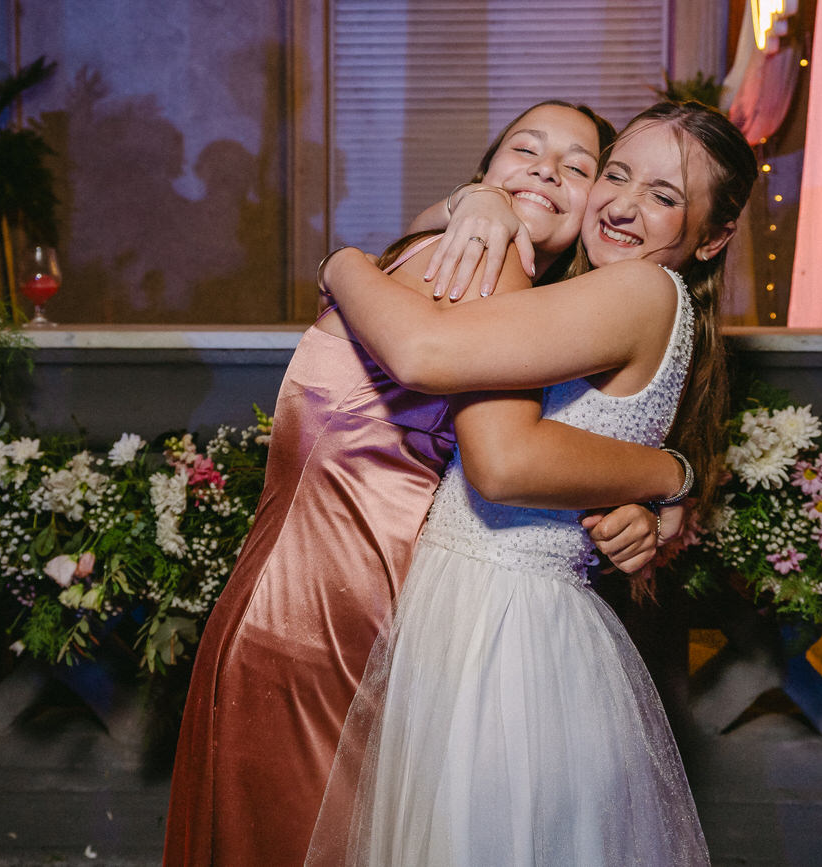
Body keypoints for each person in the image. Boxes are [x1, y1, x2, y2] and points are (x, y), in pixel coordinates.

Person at [162, 101, 697, 866]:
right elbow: (482, 434)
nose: (548, 171)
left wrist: (643, 500)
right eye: (526, 151)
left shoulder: (521, 303)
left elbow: (545, 449)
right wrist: (674, 474)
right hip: (324, 624)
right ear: (485, 173)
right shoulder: (487, 264)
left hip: (356, 622)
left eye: (580, 167)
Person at [306, 101, 758, 866]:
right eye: (616, 174)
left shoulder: (640, 290)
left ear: (713, 237)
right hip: (488, 616)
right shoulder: (602, 296)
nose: (623, 204)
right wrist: (476, 199)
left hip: (502, 632)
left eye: (663, 195)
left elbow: (497, 452)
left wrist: (342, 263)